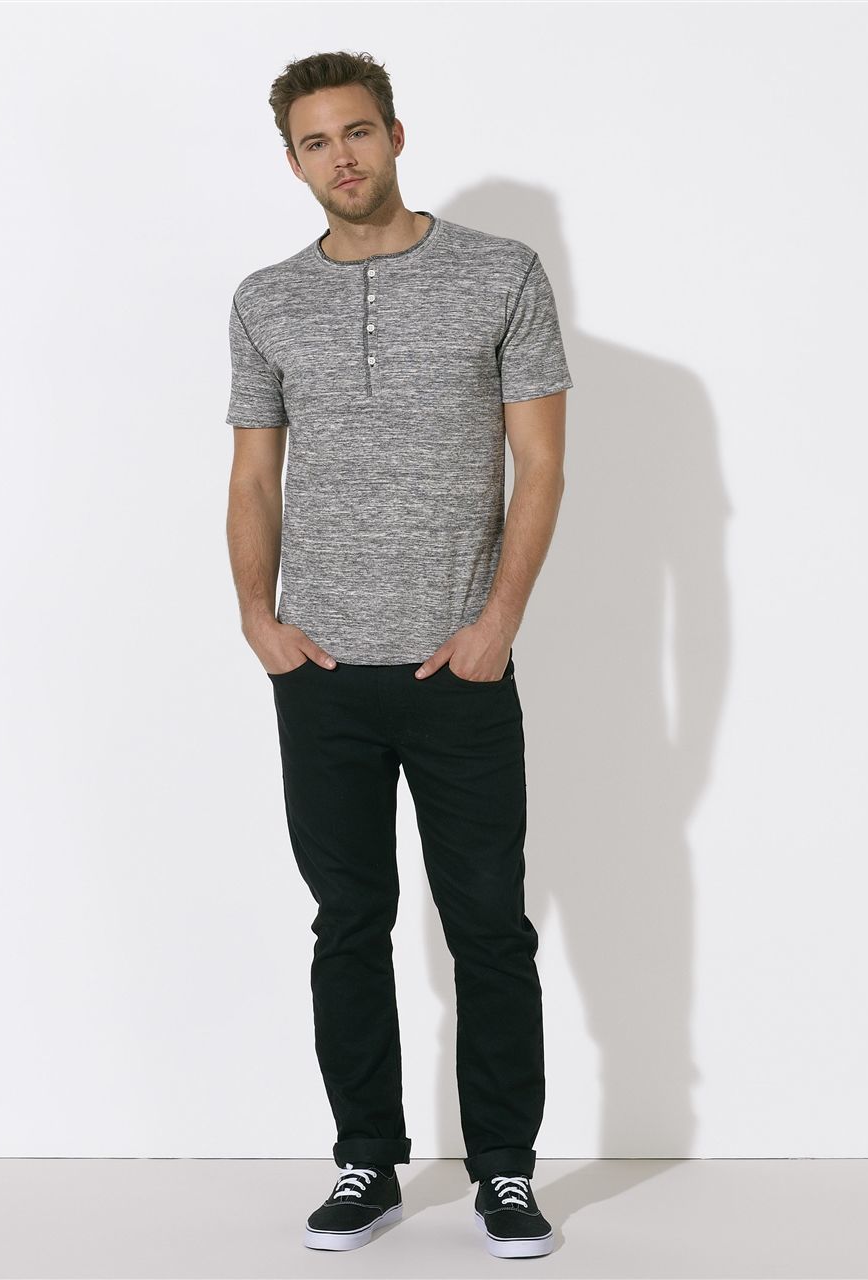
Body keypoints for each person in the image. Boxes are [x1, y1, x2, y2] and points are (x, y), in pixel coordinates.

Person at [225, 49, 572, 1260]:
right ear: (292, 160)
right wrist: (258, 618)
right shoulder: (266, 299)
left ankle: (506, 1171)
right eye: (316, 141)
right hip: (320, 672)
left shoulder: (500, 273)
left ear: (395, 134)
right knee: (347, 922)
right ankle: (365, 1161)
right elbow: (253, 475)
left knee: (490, 926)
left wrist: (496, 622)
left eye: (358, 131)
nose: (343, 157)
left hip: (456, 666)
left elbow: (541, 465)